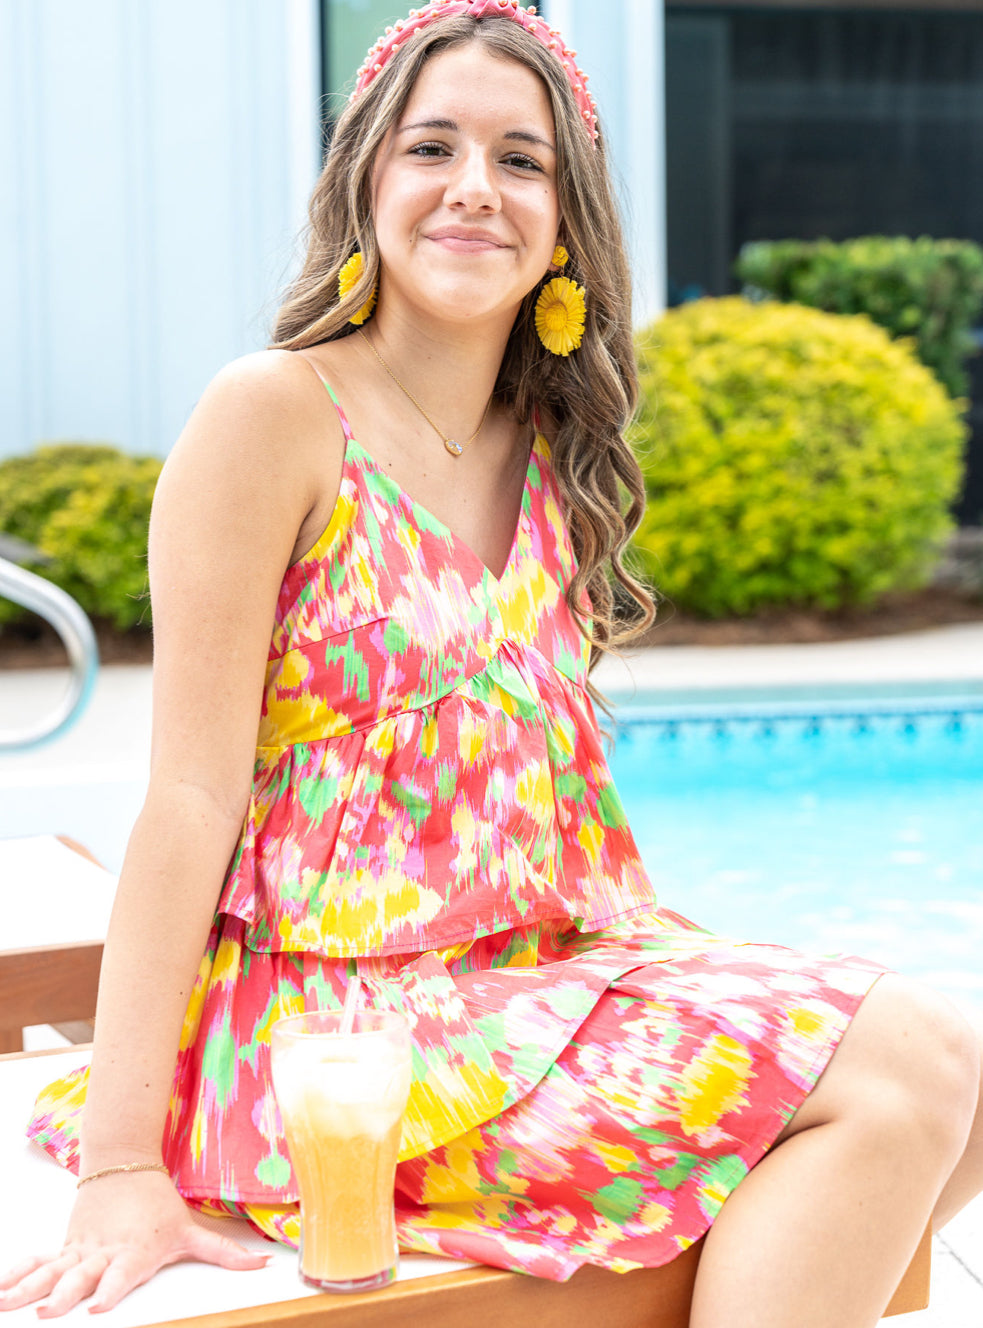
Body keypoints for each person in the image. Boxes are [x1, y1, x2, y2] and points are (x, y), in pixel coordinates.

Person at [3, 2, 981, 1323]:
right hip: (341, 1032)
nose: (477, 188)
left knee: (956, 1072)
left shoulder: (553, 458)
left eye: (521, 160)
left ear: (567, 221)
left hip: (527, 984)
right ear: (364, 183)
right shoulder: (274, 415)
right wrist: (121, 1164)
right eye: (433, 149)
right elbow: (186, 797)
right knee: (899, 1078)